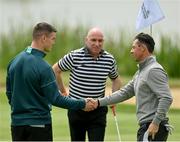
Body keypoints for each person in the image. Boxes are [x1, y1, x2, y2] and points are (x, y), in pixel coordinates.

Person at [6, 22, 95, 141]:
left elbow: (9, 94)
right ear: (43, 38)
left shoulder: (14, 62)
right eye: (53, 39)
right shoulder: (44, 67)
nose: (54, 42)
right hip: (39, 126)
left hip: (17, 125)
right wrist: (82, 103)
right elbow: (56, 99)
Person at [96, 33, 173, 141]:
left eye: (133, 47)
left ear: (142, 48)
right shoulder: (140, 72)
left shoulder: (153, 70)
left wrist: (155, 123)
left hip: (154, 128)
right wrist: (98, 102)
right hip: (146, 127)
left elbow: (166, 98)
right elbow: (125, 93)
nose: (131, 51)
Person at [52, 27, 121, 141]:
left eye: (100, 41)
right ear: (86, 40)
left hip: (98, 110)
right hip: (76, 109)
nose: (97, 43)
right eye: (93, 40)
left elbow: (116, 79)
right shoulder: (74, 56)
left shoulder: (109, 59)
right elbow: (55, 70)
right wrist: (63, 91)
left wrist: (114, 98)